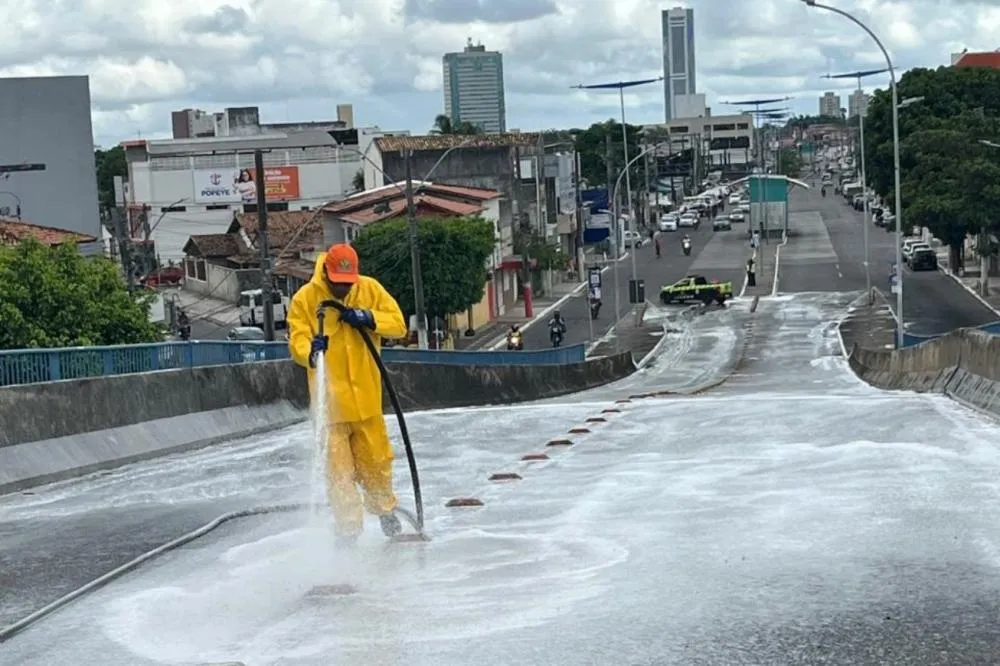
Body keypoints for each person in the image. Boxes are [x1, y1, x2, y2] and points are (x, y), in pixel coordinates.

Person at [287, 243, 409, 546]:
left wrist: (370, 317)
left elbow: (398, 325)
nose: (343, 289)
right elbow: (297, 340)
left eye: (348, 283)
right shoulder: (305, 300)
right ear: (326, 274)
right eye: (338, 283)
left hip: (367, 402)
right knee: (339, 475)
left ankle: (384, 509)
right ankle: (348, 532)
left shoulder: (370, 290)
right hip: (331, 409)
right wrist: (310, 352)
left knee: (377, 464)